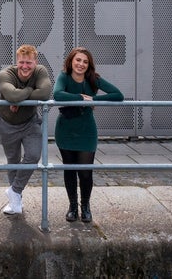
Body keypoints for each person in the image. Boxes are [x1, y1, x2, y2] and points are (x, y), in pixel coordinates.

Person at [52, 46, 123, 223]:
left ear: (89, 65)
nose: (81, 64)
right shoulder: (64, 77)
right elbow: (57, 95)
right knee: (69, 170)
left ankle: (86, 206)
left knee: (85, 172)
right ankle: (72, 207)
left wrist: (94, 99)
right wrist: (81, 98)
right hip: (66, 129)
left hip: (87, 131)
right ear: (71, 61)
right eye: (78, 60)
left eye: (85, 61)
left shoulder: (93, 79)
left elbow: (118, 95)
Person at [0, 44, 53, 215]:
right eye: (22, 62)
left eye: (29, 63)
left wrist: (21, 95)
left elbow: (45, 93)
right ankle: (15, 202)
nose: (25, 66)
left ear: (36, 62)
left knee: (34, 155)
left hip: (30, 122)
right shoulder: (6, 74)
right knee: (12, 160)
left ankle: (14, 191)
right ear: (16, 61)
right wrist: (29, 90)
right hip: (7, 124)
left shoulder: (40, 71)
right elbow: (12, 95)